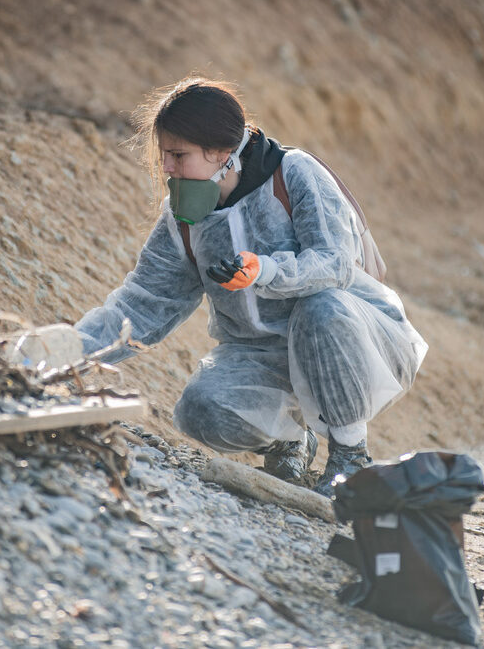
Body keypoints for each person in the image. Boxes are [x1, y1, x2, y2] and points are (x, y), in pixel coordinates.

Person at [75, 77, 428, 496]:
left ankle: (350, 456)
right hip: (261, 356)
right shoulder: (183, 218)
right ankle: (290, 440)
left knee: (322, 308)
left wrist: (267, 270)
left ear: (221, 152)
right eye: (164, 156)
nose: (167, 168)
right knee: (199, 410)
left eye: (177, 155)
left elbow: (335, 264)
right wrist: (68, 353)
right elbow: (142, 305)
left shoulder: (295, 173)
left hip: (356, 341)